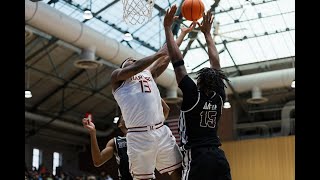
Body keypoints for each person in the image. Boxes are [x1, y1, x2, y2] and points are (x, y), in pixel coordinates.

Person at [110, 25, 195, 179]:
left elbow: (167, 55)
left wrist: (181, 35)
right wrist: (156, 55)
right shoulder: (117, 78)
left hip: (160, 131)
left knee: (178, 171)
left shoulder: (148, 73)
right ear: (122, 67)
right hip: (138, 135)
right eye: (129, 61)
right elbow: (138, 66)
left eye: (134, 59)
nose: (132, 60)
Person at [163, 5, 232, 180]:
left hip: (197, 157)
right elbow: (216, 64)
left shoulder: (193, 95)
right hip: (218, 157)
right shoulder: (217, 97)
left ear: (199, 81)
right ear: (217, 81)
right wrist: (208, 34)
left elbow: (177, 60)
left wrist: (167, 28)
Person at [82, 99, 170, 180]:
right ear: (120, 124)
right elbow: (98, 161)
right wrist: (93, 133)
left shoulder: (146, 135)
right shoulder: (115, 142)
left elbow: (166, 110)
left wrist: (153, 92)